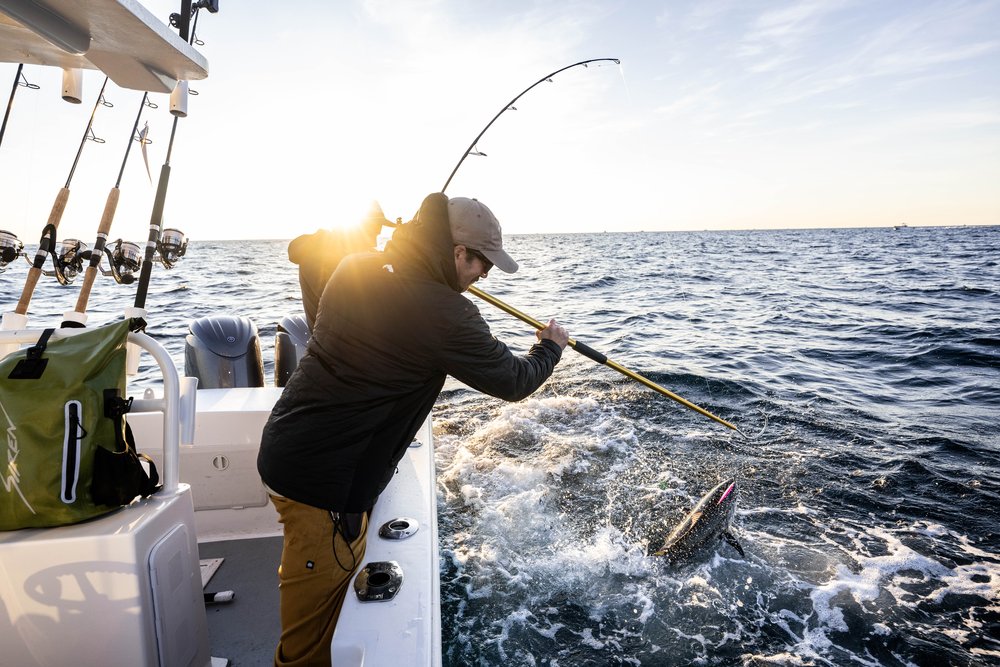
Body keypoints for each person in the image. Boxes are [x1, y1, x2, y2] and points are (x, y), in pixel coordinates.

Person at [257, 192, 569, 666]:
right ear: (457, 252)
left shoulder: (355, 267)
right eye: (482, 262)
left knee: (332, 602)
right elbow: (512, 380)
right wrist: (549, 347)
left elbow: (321, 269)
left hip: (293, 449)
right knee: (308, 646)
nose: (485, 274)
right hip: (320, 485)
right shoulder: (444, 311)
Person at [287, 201, 396, 330]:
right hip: (337, 346)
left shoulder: (359, 255)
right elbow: (351, 307)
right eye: (376, 226)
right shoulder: (318, 256)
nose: (379, 233)